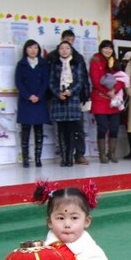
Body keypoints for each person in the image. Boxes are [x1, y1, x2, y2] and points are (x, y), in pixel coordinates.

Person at [47, 29, 90, 165]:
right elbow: (50, 80)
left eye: (70, 41)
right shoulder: (53, 58)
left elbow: (82, 79)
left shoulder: (78, 58)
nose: (65, 48)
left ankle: (78, 155)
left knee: (76, 128)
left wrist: (75, 92)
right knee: (60, 129)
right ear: (61, 40)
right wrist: (57, 93)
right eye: (65, 42)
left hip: (74, 98)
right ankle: (64, 157)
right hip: (57, 98)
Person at [90, 40, 127, 164]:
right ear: (101, 49)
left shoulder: (115, 61)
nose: (108, 50)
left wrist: (114, 90)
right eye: (105, 48)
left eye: (110, 48)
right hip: (100, 99)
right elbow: (95, 81)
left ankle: (112, 153)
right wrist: (107, 92)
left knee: (114, 127)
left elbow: (121, 78)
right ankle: (102, 154)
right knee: (102, 127)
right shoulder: (95, 61)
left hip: (114, 100)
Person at [15, 39, 50, 168]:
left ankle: (37, 158)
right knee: (25, 131)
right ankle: (25, 159)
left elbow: (45, 82)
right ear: (25, 50)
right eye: (30, 48)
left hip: (39, 101)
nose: (33, 50)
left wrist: (38, 96)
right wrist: (29, 96)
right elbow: (18, 83)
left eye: (35, 48)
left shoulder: (43, 64)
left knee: (39, 131)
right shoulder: (21, 64)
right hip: (26, 101)